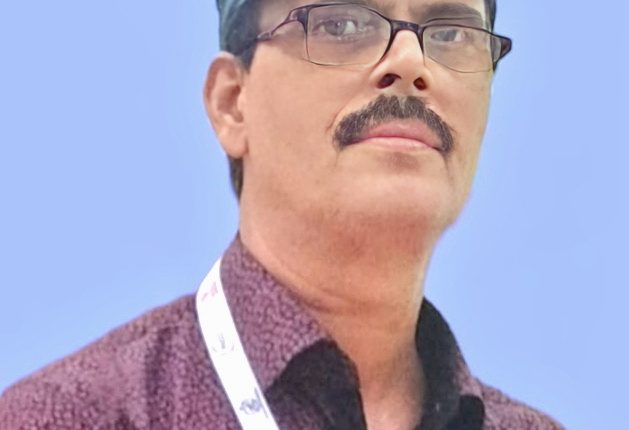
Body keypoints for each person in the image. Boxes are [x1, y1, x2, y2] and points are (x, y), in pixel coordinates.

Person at [0, 0, 564, 429]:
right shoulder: (69, 417)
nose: (412, 63)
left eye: (451, 34)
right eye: (342, 24)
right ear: (232, 103)